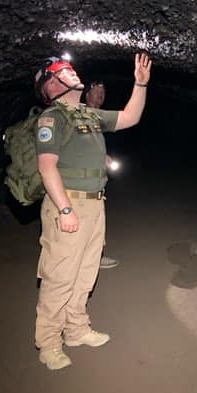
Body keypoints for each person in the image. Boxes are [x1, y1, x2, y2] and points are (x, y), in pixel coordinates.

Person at [32, 52, 152, 370]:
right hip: (68, 204)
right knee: (60, 277)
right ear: (52, 85)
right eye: (64, 71)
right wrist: (66, 209)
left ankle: (76, 330)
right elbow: (47, 169)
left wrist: (140, 84)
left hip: (95, 203)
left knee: (85, 272)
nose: (72, 74)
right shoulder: (52, 119)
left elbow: (129, 118)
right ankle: (48, 343)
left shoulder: (87, 114)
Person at [83, 81, 119, 270]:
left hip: (95, 183)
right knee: (82, 227)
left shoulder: (97, 118)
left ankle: (96, 257)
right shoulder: (77, 115)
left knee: (96, 223)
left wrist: (103, 157)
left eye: (103, 92)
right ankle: (83, 262)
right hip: (78, 184)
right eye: (97, 91)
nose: (100, 95)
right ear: (86, 94)